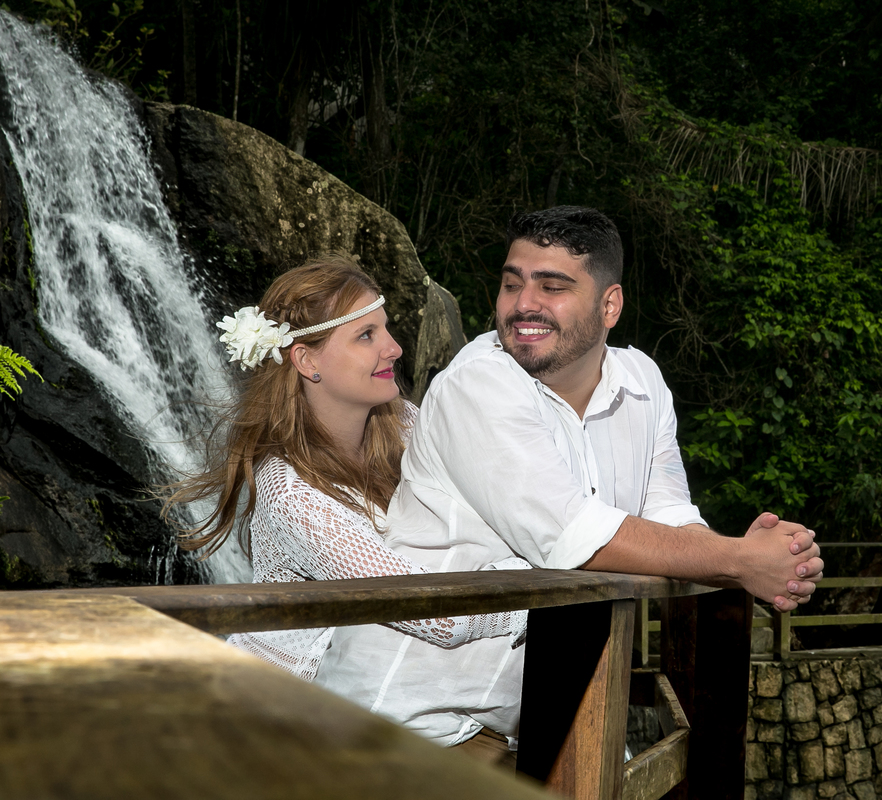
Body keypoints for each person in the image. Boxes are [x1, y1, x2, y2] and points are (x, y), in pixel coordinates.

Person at [319, 206, 824, 756]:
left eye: (552, 286)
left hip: (539, 713)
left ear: (610, 305)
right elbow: (571, 537)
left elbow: (671, 515)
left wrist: (756, 553)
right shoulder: (477, 383)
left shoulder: (643, 383)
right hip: (410, 718)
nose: (524, 305)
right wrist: (741, 561)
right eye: (512, 284)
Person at [162, 254, 526, 685]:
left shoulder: (404, 421)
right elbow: (433, 615)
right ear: (307, 361)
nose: (394, 347)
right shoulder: (290, 496)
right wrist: (543, 594)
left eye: (386, 328)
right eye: (366, 335)